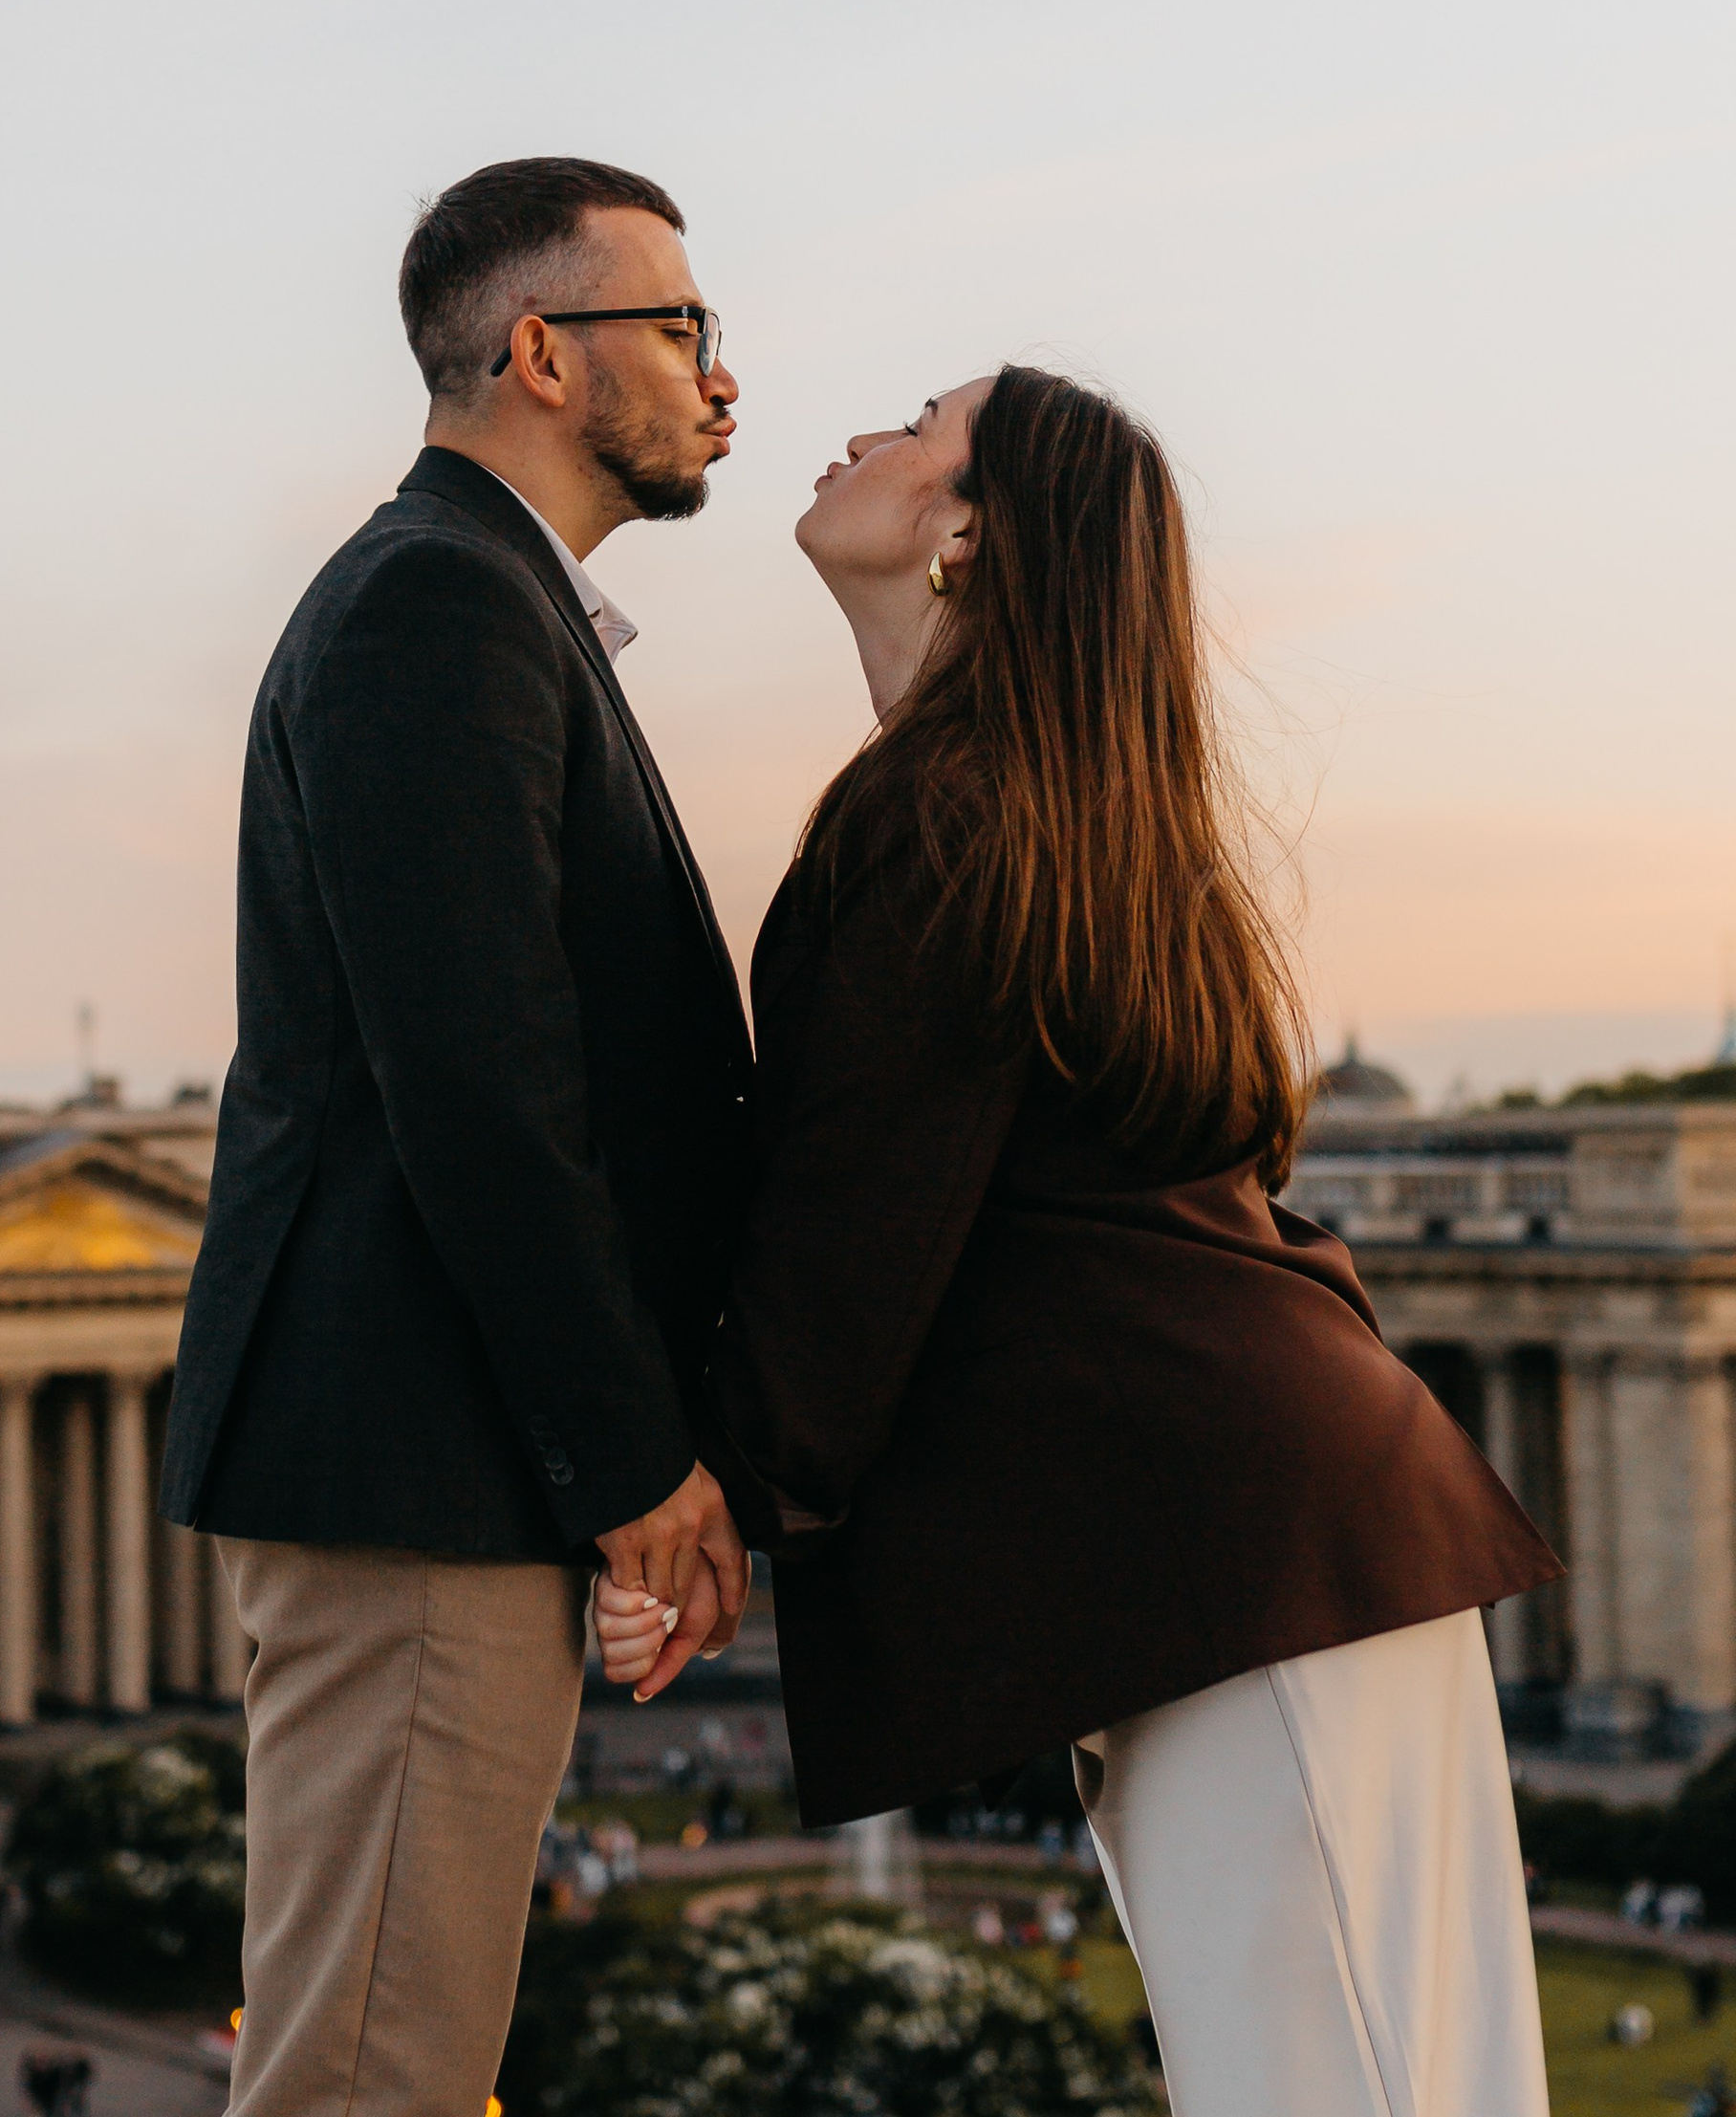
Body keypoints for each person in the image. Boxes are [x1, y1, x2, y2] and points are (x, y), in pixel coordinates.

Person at [598, 364, 1559, 2117]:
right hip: (1289, 1541)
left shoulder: (944, 817)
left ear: (968, 534)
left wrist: (706, 1500)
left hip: (1245, 1562)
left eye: (917, 423)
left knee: (1325, 2084)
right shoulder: (1051, 809)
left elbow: (853, 1235)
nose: (852, 435)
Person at [161, 157, 757, 2117]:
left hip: (426, 1451)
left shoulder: (480, 596)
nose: (720, 371)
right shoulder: (439, 597)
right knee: (369, 2079)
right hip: (416, 1457)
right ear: (539, 354)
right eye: (675, 326)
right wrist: (633, 1456)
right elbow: (481, 1083)